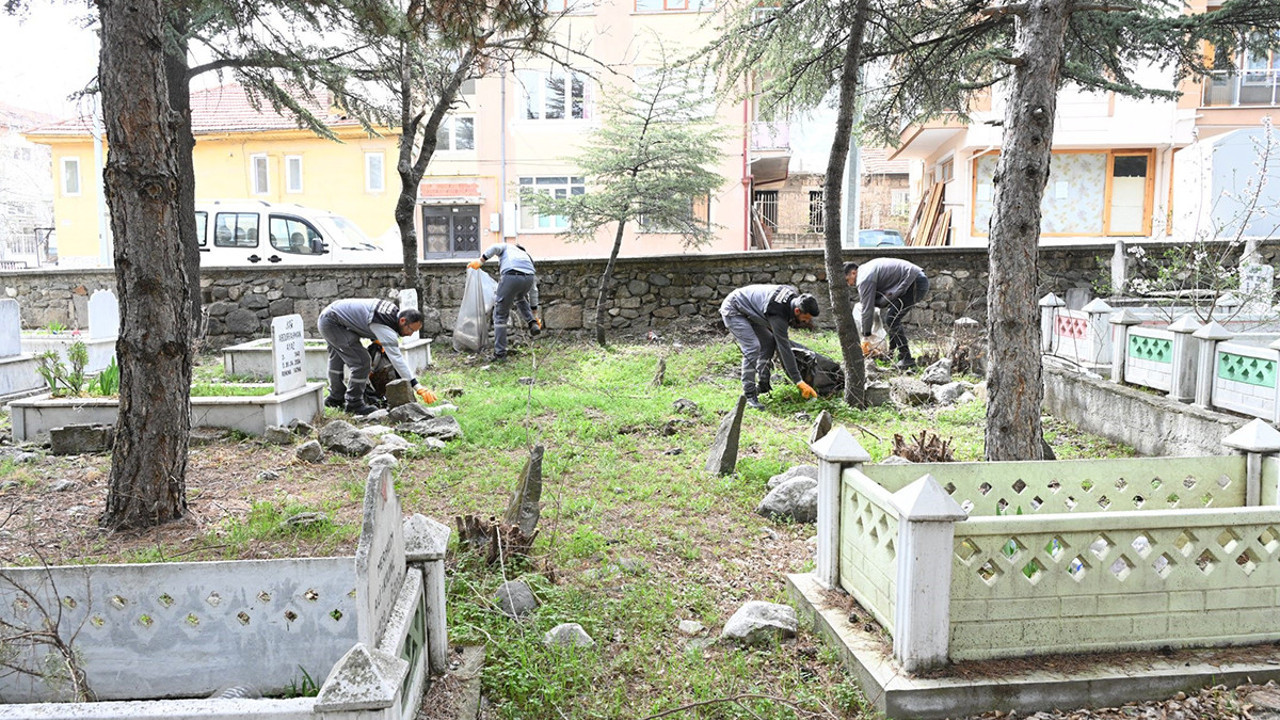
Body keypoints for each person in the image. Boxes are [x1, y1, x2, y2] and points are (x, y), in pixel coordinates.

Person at [318, 298, 437, 415]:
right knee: (362, 362)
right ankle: (354, 403)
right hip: (333, 322)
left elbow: (366, 319)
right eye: (410, 329)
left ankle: (335, 398)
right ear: (402, 321)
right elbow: (397, 359)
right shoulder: (385, 326)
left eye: (414, 332)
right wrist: (417, 386)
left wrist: (376, 339)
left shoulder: (392, 313)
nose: (410, 334)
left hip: (332, 315)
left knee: (337, 358)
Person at [719, 284, 820, 410]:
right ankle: (749, 395)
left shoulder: (792, 298)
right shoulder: (778, 313)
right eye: (805, 318)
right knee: (752, 347)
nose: (806, 322)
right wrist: (798, 381)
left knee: (768, 342)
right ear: (797, 311)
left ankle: (763, 383)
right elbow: (784, 348)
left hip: (750, 311)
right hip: (734, 309)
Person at [845, 258, 929, 369]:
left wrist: (866, 334)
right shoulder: (866, 270)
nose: (849, 284)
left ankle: (907, 358)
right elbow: (881, 300)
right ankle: (892, 353)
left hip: (914, 282)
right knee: (892, 318)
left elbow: (867, 309)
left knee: (892, 319)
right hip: (915, 279)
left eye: (847, 280)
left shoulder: (864, 278)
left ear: (853, 272)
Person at [467, 242, 541, 362]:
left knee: (500, 315)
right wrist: (535, 316)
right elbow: (533, 291)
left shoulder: (507, 247)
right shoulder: (527, 258)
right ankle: (532, 322)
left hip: (510, 275)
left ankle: (500, 354)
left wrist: (481, 261)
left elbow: (495, 247)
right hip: (528, 277)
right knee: (521, 297)